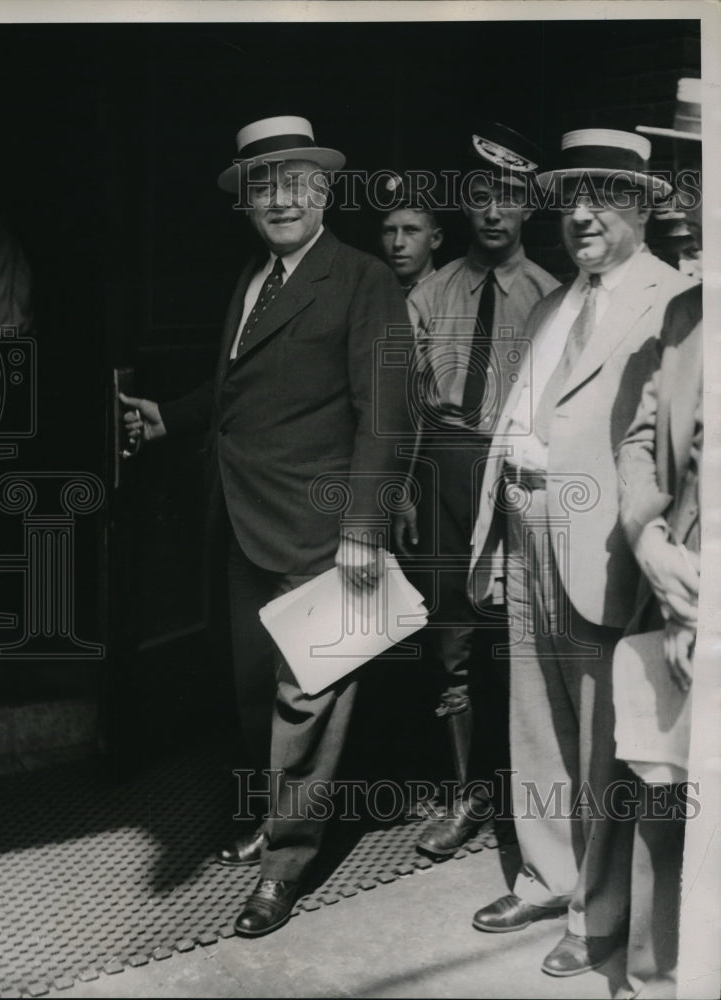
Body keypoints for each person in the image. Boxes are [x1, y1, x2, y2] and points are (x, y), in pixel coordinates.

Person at [120, 115, 410, 937]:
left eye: (294, 184)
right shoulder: (254, 277)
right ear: (246, 206)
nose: (278, 200)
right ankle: (266, 817)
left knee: (308, 696)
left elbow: (388, 416)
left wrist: (363, 529)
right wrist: (169, 418)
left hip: (323, 531)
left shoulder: (362, 281)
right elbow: (238, 392)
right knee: (256, 694)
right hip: (244, 520)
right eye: (262, 189)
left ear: (322, 193)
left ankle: (284, 867)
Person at [468, 128, 694, 976]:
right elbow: (521, 421)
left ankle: (597, 913)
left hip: (607, 547)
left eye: (602, 198)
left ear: (640, 205)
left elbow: (671, 448)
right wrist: (496, 530)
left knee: (607, 737)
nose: (580, 215)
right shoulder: (555, 300)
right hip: (529, 526)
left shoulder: (675, 303)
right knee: (537, 719)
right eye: (570, 200)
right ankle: (544, 871)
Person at [396, 123, 558, 858]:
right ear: (467, 207)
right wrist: (401, 487)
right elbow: (398, 403)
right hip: (440, 471)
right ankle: (464, 797)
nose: (495, 212)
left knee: (517, 634)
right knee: (449, 634)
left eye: (510, 199)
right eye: (483, 198)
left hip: (513, 473)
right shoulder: (429, 294)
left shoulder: (553, 300)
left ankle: (526, 795)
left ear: (528, 208)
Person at [614, 78, 704, 999]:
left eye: (700, 168)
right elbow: (640, 440)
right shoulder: (685, 311)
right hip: (675, 588)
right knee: (667, 807)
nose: (682, 191)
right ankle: (658, 977)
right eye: (681, 166)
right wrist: (646, 537)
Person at [378, 175, 442, 296]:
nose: (398, 243)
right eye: (390, 231)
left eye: (411, 230)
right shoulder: (370, 295)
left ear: (435, 239)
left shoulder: (451, 295)